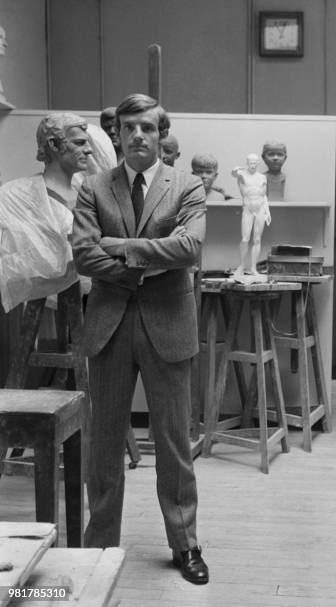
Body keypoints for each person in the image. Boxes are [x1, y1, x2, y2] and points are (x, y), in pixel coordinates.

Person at [71, 93, 209, 585]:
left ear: (161, 132)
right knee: (103, 442)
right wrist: (146, 266)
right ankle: (100, 544)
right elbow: (84, 256)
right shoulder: (93, 186)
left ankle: (185, 544)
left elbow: (189, 248)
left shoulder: (186, 185)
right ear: (116, 134)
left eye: (147, 128)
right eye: (128, 128)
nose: (137, 136)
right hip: (109, 324)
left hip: (168, 324)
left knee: (173, 441)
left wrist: (123, 248)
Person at [0, 113, 92, 312]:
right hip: (41, 289)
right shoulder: (17, 197)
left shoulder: (85, 191)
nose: (89, 150)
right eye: (79, 143)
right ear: (54, 144)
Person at [231, 153, 271, 275]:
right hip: (248, 209)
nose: (252, 165)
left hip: (260, 209)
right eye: (250, 163)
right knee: (245, 239)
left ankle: (253, 267)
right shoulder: (242, 176)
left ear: (257, 163)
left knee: (257, 239)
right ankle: (242, 265)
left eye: (254, 163)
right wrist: (235, 170)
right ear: (247, 163)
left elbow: (263, 195)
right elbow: (234, 174)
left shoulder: (262, 177)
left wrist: (267, 211)